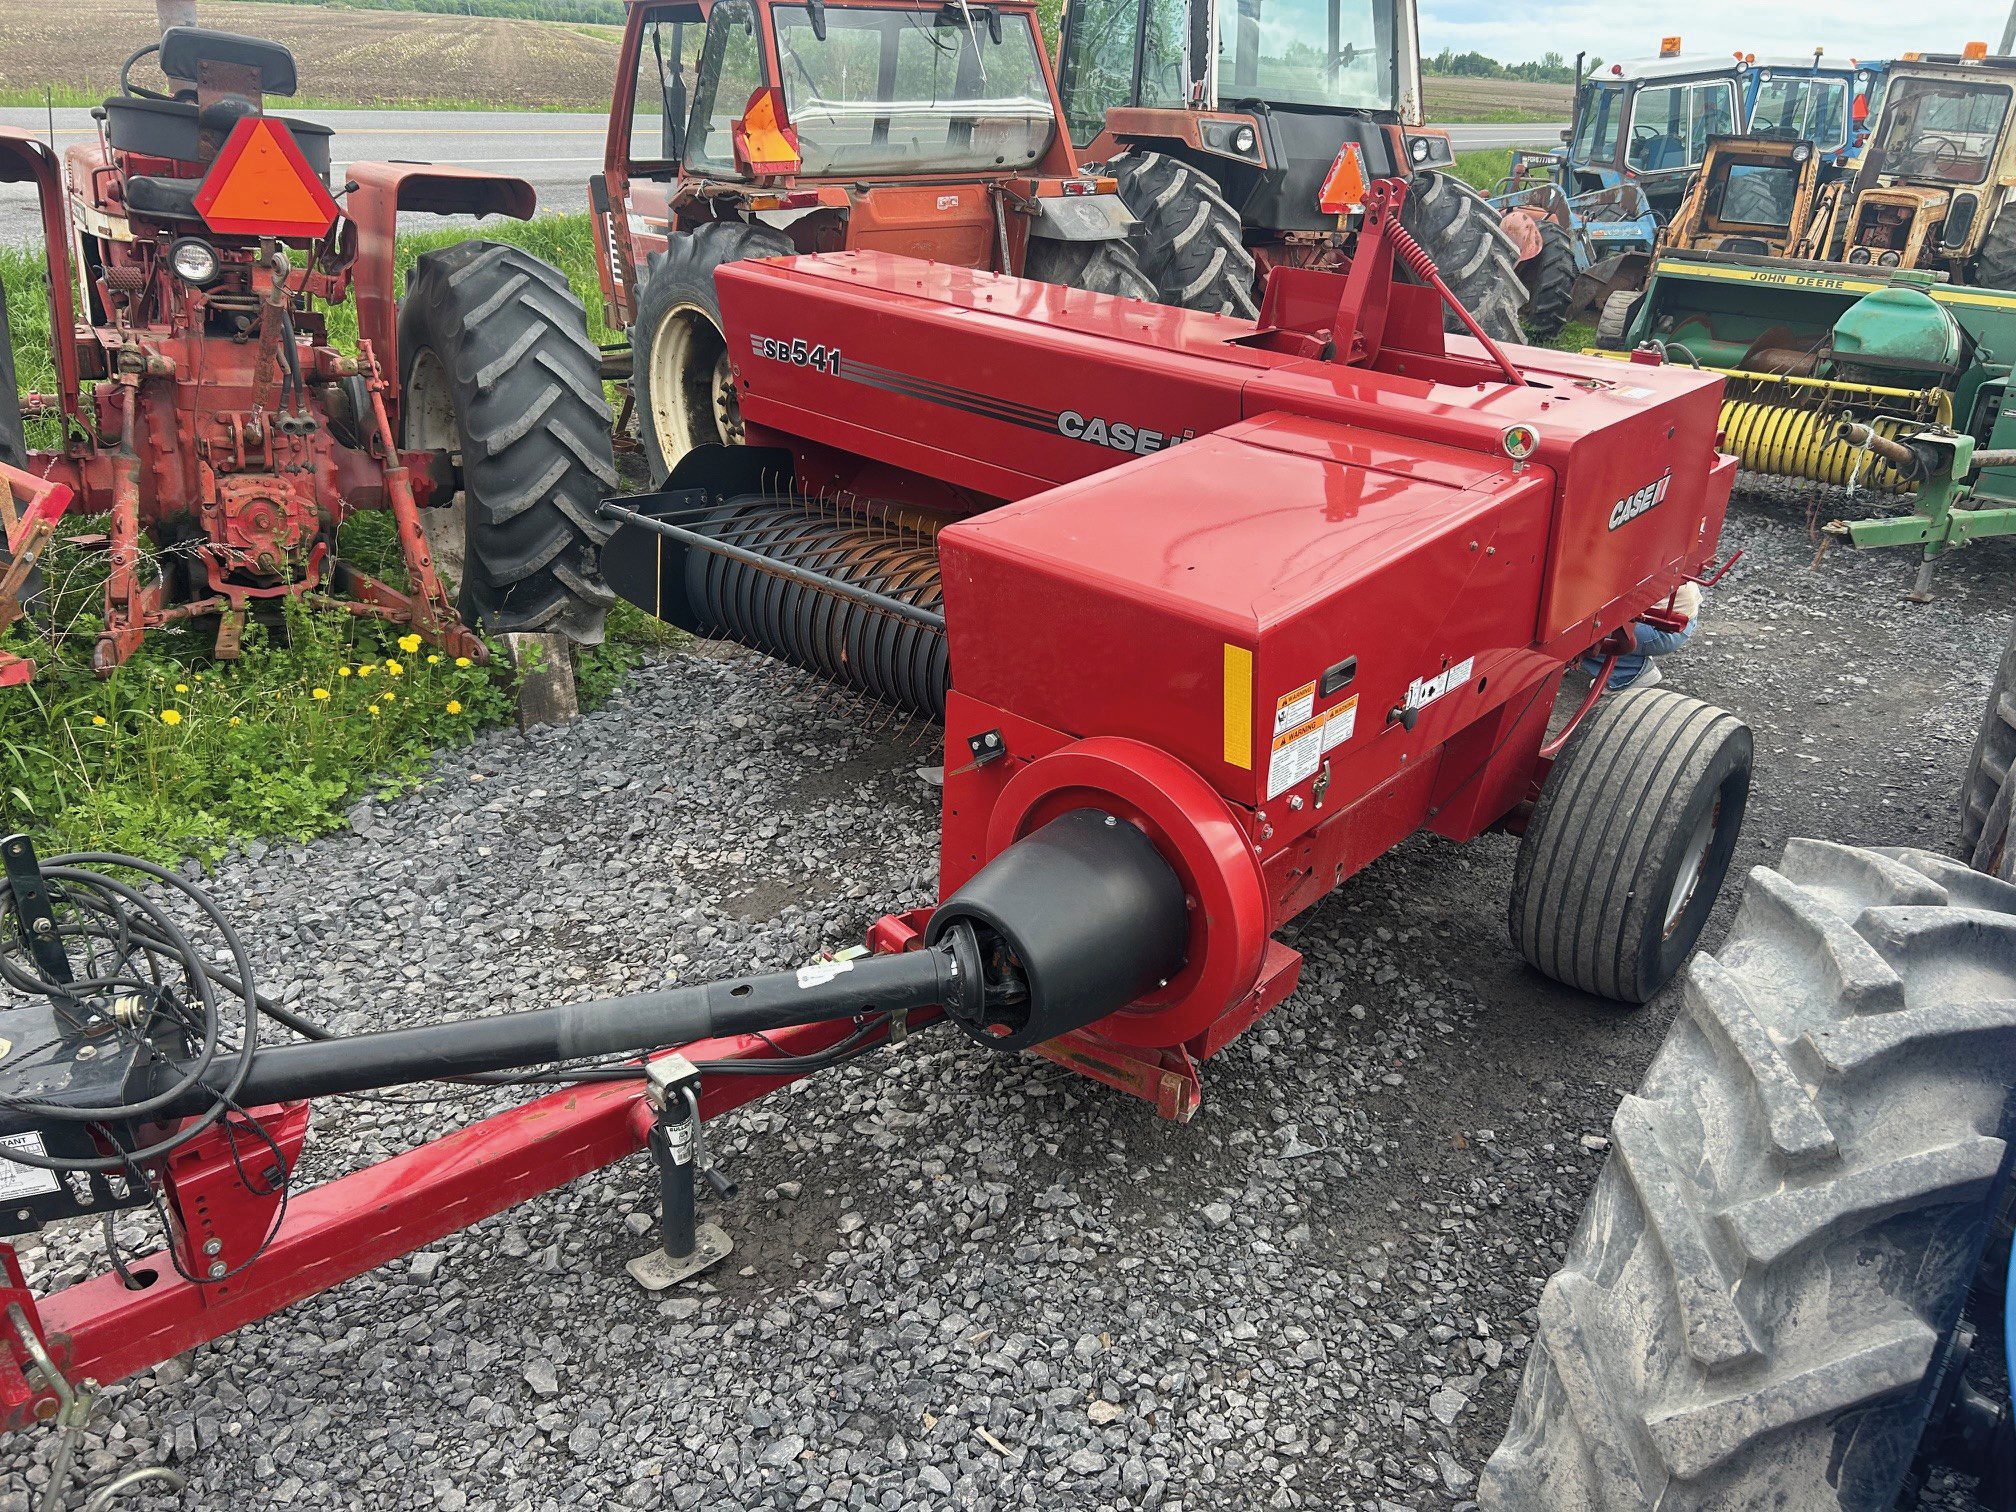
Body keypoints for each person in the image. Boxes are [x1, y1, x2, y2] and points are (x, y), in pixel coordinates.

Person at [1582, 581, 1702, 690]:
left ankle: (1629, 673)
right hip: (1681, 617)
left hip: (1663, 627)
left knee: (1584, 630)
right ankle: (1630, 657)